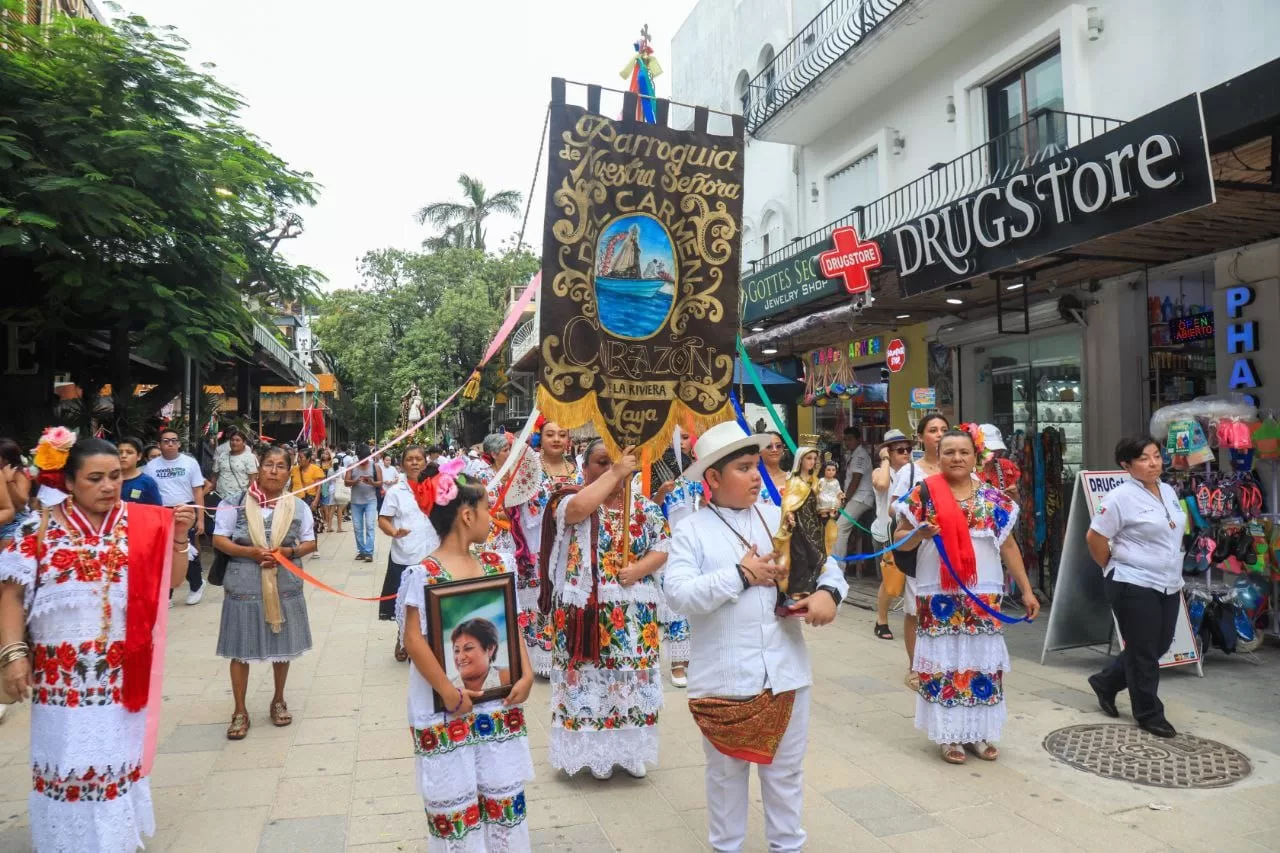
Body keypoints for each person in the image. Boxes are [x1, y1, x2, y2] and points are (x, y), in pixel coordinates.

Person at [0, 436, 195, 853]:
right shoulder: (39, 526)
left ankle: (114, 840)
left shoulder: (143, 522)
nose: (109, 486)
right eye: (95, 478)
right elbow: (11, 594)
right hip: (60, 677)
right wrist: (14, 655)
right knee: (65, 757)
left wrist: (180, 535)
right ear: (69, 482)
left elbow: (174, 581)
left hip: (121, 673)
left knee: (113, 761)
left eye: (116, 476)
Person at [664, 421, 847, 852]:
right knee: (725, 779)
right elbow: (679, 594)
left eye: (755, 466)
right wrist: (741, 576)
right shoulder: (691, 530)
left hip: (786, 673)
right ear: (713, 478)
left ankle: (788, 846)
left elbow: (824, 564)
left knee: (785, 775)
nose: (755, 475)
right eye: (744, 468)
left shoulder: (776, 515)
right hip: (725, 680)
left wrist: (828, 594)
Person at [397, 459, 534, 851]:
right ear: (467, 514)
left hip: (496, 703)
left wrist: (522, 674)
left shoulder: (496, 562)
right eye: (488, 508)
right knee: (454, 799)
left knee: (500, 791)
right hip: (446, 707)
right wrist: (450, 690)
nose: (493, 517)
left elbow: (511, 623)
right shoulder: (424, 572)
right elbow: (414, 641)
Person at [892, 430, 1039, 764]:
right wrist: (919, 532)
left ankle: (978, 732)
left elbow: (1009, 545)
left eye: (963, 452)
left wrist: (1027, 591)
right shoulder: (923, 495)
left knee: (978, 664)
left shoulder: (994, 499)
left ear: (976, 457)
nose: (956, 458)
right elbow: (900, 539)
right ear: (937, 455)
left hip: (983, 592)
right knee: (946, 664)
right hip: (938, 592)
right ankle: (949, 735)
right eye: (949, 452)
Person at [541, 440, 669, 779]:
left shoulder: (645, 508)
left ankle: (629, 752)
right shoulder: (569, 500)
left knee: (628, 680)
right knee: (590, 679)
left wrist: (640, 569)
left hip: (633, 618)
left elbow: (662, 546)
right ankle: (594, 752)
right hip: (586, 615)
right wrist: (616, 473)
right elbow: (578, 511)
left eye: (620, 462)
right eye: (601, 462)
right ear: (586, 469)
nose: (611, 467)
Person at [1086, 435, 1187, 739]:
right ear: (1126, 465)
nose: (1153, 463)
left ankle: (1106, 682)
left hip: (1168, 581)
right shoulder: (1119, 498)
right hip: (1133, 582)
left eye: (1156, 456)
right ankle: (1148, 713)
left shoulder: (1168, 490)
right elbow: (1095, 538)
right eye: (1144, 458)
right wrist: (1112, 567)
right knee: (1143, 652)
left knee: (1159, 644)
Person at [212, 446, 316, 740]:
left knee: (282, 645)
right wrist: (250, 552)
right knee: (239, 648)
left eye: (281, 466)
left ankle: (278, 699)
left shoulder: (298, 506)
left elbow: (309, 542)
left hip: (284, 584)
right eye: (268, 464)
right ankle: (239, 710)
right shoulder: (234, 503)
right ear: (258, 469)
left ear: (288, 472)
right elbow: (219, 539)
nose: (273, 470)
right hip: (244, 582)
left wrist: (289, 551)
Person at [506, 419, 579, 678]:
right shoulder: (529, 466)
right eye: (550, 434)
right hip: (537, 543)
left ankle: (568, 653)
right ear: (540, 437)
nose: (557, 439)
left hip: (572, 543)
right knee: (539, 601)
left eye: (562, 434)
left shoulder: (577, 466)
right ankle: (538, 661)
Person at [890, 413, 950, 682]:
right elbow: (894, 506)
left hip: (950, 547)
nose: (938, 434)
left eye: (943, 430)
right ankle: (916, 666)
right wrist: (918, 512)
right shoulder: (910, 472)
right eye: (933, 430)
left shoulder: (959, 467)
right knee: (916, 609)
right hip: (920, 544)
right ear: (922, 437)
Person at [378, 445, 437, 660]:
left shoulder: (436, 487)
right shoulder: (396, 491)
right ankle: (403, 638)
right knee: (405, 603)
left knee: (431, 602)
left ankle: (430, 642)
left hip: (433, 553)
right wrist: (394, 532)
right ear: (402, 464)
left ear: (425, 462)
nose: (414, 463)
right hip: (405, 555)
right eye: (409, 459)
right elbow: (383, 519)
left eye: (418, 459)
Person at [649, 427, 696, 688]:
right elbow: (644, 513)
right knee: (668, 608)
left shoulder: (702, 476)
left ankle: (686, 661)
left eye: (686, 438)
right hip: (665, 551)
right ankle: (667, 662)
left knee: (689, 609)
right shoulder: (651, 473)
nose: (680, 445)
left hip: (696, 550)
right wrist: (660, 494)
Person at [144, 427, 206, 605]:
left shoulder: (189, 463)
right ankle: (167, 593)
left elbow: (198, 490)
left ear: (179, 443)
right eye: (166, 441)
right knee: (164, 553)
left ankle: (197, 584)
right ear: (159, 444)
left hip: (186, 509)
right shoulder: (151, 467)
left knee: (188, 550)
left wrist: (200, 518)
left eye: (174, 440)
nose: (170, 443)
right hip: (162, 512)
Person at [870, 429, 912, 641]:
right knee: (891, 579)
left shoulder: (913, 472)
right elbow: (882, 485)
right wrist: (885, 460)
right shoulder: (881, 471)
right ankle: (881, 620)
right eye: (900, 450)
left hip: (909, 529)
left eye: (908, 449)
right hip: (886, 530)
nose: (906, 453)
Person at [834, 427, 874, 568]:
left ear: (858, 440)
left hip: (861, 497)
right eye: (845, 439)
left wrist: (844, 501)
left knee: (840, 528)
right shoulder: (853, 455)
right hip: (856, 497)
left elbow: (855, 480)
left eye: (850, 439)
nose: (847, 442)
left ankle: (838, 567)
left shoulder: (860, 455)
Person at [448, 618, 512, 692]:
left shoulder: (506, 677)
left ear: (490, 649)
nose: (460, 657)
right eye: (456, 651)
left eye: (468, 648)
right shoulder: (449, 688)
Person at [345, 445, 382, 562]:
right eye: (361, 459)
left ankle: (369, 552)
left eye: (365, 459)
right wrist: (355, 481)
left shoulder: (375, 466)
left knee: (370, 526)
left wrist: (371, 482)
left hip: (370, 501)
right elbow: (346, 482)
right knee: (357, 528)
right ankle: (361, 551)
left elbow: (380, 482)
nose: (363, 461)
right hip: (355, 502)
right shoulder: (351, 467)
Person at [211, 427, 259, 504]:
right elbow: (214, 474)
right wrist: (212, 489)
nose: (234, 443)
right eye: (232, 440)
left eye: (237, 440)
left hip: (239, 499)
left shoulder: (249, 457)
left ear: (244, 442)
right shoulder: (223, 456)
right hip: (220, 496)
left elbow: (253, 480)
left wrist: (248, 498)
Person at [977, 423, 1021, 501]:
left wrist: (1016, 496)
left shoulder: (1007, 466)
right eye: (989, 449)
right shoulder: (967, 469)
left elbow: (1022, 501)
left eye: (997, 449)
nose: (995, 453)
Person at [0, 438, 31, 545]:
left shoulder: (19, 474)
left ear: (6, 459)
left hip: (15, 523)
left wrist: (9, 481)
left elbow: (21, 503)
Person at [118, 436, 162, 506]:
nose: (123, 456)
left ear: (139, 456)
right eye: (120, 452)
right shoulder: (109, 480)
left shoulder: (147, 482)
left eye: (129, 452)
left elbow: (157, 510)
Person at [289, 447, 325, 521]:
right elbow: (291, 485)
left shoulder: (316, 470)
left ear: (308, 459)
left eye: (301, 457)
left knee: (310, 523)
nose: (298, 459)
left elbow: (319, 488)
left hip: (308, 501)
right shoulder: (294, 469)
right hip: (295, 501)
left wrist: (315, 501)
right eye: (298, 457)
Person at [757, 432, 787, 505]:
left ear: (783, 449)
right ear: (759, 451)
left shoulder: (791, 478)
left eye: (778, 446)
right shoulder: (753, 478)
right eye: (769, 446)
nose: (774, 450)